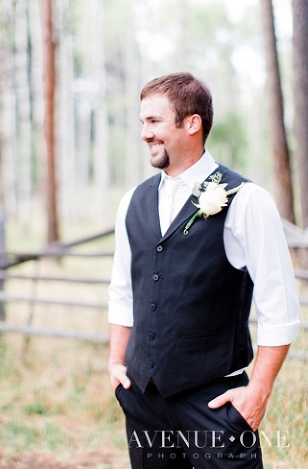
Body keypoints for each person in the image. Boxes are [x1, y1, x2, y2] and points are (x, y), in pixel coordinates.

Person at [107, 73, 299, 469]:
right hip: (143, 398)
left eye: (154, 122)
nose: (144, 134)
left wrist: (257, 393)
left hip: (216, 403)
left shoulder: (247, 201)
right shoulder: (132, 201)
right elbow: (123, 291)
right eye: (142, 122)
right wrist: (116, 366)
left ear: (191, 123)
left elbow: (279, 308)